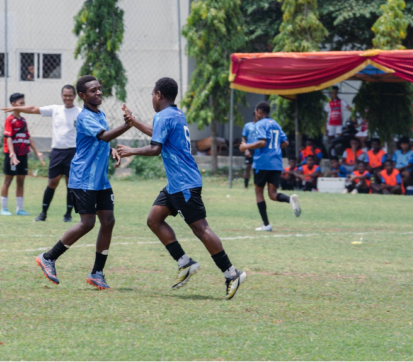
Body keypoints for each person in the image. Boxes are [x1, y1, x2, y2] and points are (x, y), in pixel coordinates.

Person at [117, 77, 247, 300]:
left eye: (151, 94)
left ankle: (231, 273)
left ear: (158, 95)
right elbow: (158, 134)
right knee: (154, 220)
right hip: (176, 183)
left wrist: (131, 150)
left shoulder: (163, 116)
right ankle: (184, 262)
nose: (151, 99)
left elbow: (156, 148)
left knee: (201, 229)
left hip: (184, 184)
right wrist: (135, 122)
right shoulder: (175, 114)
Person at [35, 76, 130, 291]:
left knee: (108, 221)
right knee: (87, 223)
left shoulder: (100, 114)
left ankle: (97, 273)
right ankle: (48, 257)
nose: (98, 92)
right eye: (93, 90)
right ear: (82, 96)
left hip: (100, 180)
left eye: (99, 89)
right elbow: (103, 136)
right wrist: (127, 124)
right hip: (83, 178)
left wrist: (112, 149)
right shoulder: (85, 117)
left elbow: (101, 141)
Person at [1, 85, 81, 223]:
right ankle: (43, 213)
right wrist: (16, 108)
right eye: (65, 95)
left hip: (73, 152)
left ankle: (68, 214)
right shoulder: (56, 109)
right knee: (52, 182)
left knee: (71, 184)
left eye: (70, 95)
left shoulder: (80, 112)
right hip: (57, 152)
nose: (67, 98)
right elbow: (33, 109)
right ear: (61, 96)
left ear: (75, 96)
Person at [239, 101, 301, 232]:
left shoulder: (259, 124)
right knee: (272, 194)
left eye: (256, 112)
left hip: (262, 163)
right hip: (276, 163)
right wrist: (273, 149)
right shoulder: (276, 124)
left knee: (259, 192)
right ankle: (290, 199)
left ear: (260, 112)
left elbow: (262, 142)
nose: (255, 114)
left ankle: (266, 225)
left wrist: (246, 146)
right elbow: (285, 142)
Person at [0, 93, 45, 216]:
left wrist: (37, 152)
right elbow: (8, 137)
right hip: (12, 155)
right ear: (13, 105)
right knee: (8, 180)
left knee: (21, 181)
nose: (23, 106)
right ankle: (3, 208)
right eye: (21, 104)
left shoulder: (23, 121)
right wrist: (12, 154)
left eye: (24, 103)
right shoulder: (9, 120)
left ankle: (19, 209)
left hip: (23, 154)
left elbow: (28, 137)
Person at [240, 114, 256, 189]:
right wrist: (246, 149)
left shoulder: (262, 126)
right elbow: (243, 137)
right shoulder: (247, 125)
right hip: (249, 148)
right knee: (247, 167)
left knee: (257, 168)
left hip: (258, 149)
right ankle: (245, 185)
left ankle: (257, 185)